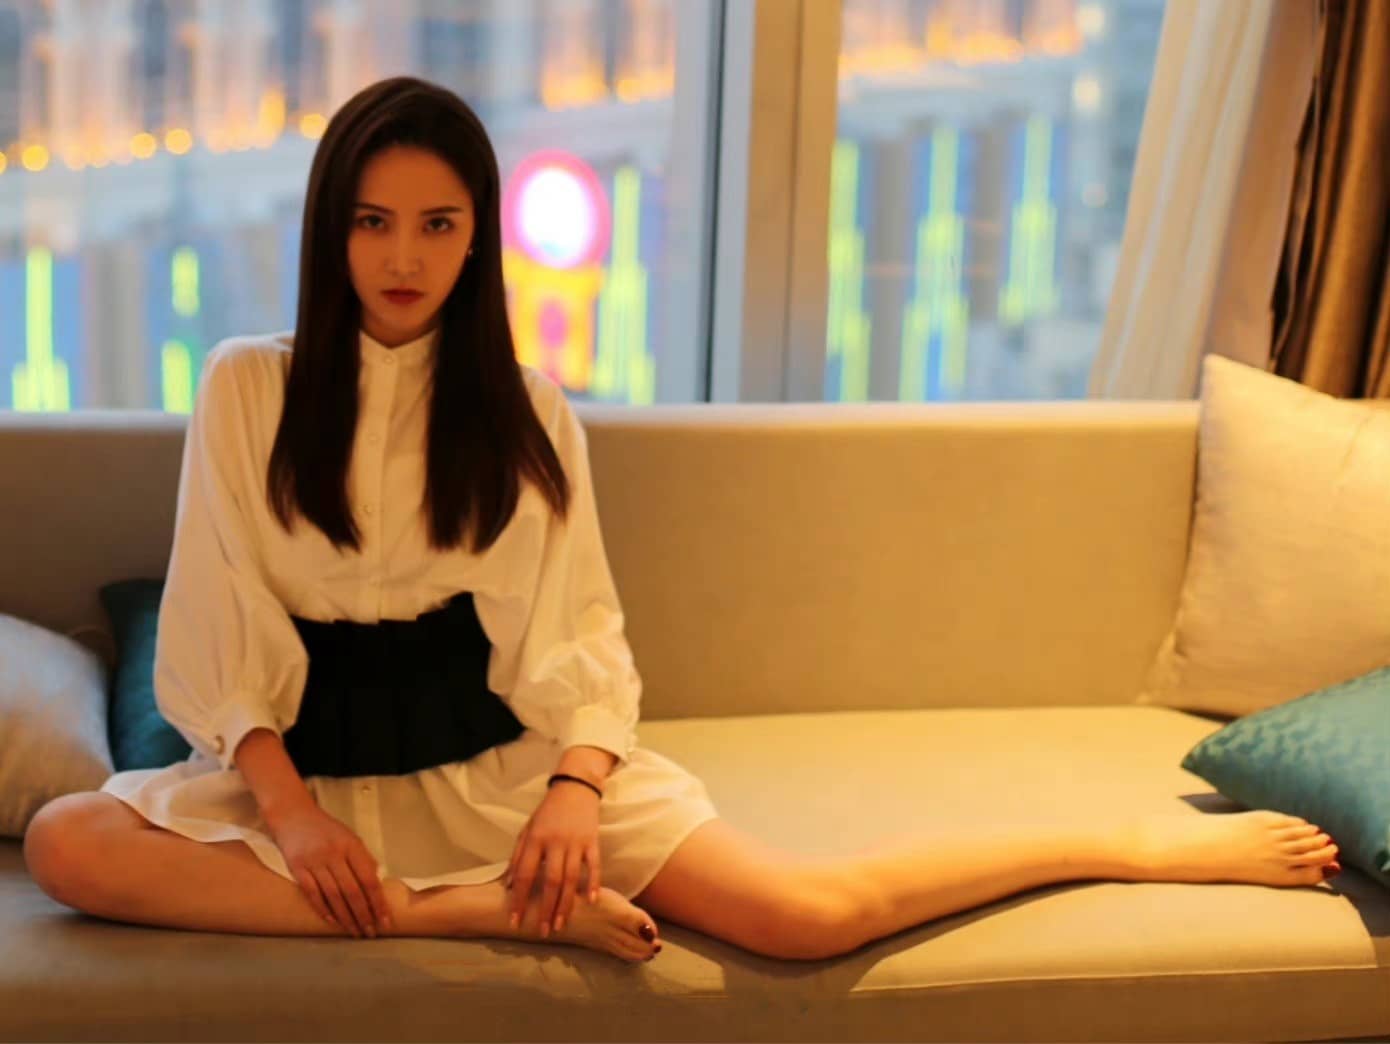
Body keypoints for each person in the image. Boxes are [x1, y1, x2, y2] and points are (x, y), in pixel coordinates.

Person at [22, 77, 1342, 965]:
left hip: (496, 773)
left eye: (436, 223)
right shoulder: (248, 387)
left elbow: (576, 635)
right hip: (299, 788)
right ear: (330, 231)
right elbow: (218, 627)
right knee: (67, 843)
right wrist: (296, 819)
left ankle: (1117, 843)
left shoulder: (528, 411)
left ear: (477, 239)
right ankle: (467, 918)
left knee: (808, 916)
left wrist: (570, 797)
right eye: (372, 223)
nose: (402, 257)